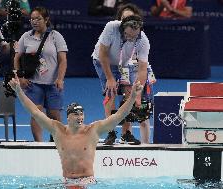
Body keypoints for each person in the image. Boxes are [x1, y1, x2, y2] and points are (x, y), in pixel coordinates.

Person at [8, 75, 143, 187]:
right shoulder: (57, 130)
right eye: (76, 114)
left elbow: (119, 115)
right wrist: (19, 92)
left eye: (81, 114)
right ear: (68, 117)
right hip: (66, 181)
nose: (80, 117)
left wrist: (132, 97)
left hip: (87, 182)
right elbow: (35, 112)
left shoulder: (93, 131)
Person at [92, 3, 153, 145]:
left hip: (123, 64)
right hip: (102, 61)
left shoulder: (143, 40)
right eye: (128, 36)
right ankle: (110, 132)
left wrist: (137, 94)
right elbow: (103, 54)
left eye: (134, 37)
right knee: (110, 92)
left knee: (129, 94)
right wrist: (109, 78)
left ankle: (126, 133)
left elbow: (142, 69)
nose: (130, 39)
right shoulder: (111, 27)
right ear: (123, 27)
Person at [14, 7, 68, 142]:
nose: (34, 22)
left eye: (38, 19)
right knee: (36, 114)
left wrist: (60, 79)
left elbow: (63, 60)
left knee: (54, 115)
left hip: (53, 83)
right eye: (32, 19)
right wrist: (20, 77)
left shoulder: (56, 36)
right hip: (33, 83)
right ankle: (38, 144)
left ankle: (56, 142)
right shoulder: (26, 37)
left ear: (46, 19)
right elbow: (16, 58)